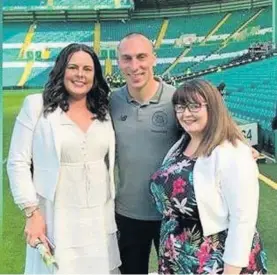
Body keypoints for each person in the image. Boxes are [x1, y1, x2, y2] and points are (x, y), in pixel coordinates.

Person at [7, 43, 121, 274]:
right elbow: (17, 162)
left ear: (95, 75)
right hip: (55, 215)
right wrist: (31, 212)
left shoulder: (104, 109)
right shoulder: (36, 106)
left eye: (87, 69)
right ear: (61, 70)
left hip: (98, 217)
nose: (80, 74)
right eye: (73, 67)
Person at [150, 79, 267, 274]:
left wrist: (231, 270)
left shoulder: (233, 151)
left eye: (195, 106)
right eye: (180, 107)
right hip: (179, 254)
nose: (186, 113)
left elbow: (243, 219)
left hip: (217, 260)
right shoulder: (181, 144)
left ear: (212, 108)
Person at [109, 33, 180, 274]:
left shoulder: (177, 99)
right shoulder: (111, 102)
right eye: (126, 58)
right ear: (119, 62)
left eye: (141, 57)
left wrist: (242, 148)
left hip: (172, 214)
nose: (134, 66)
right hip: (128, 213)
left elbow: (212, 131)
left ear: (154, 59)